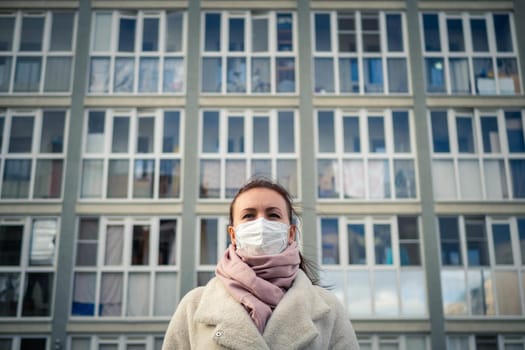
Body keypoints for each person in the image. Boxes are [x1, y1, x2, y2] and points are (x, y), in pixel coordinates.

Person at [162, 178, 359, 349]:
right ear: (233, 234)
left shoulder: (329, 308)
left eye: (273, 215)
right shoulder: (193, 306)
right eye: (249, 215)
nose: (261, 224)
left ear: (290, 233)